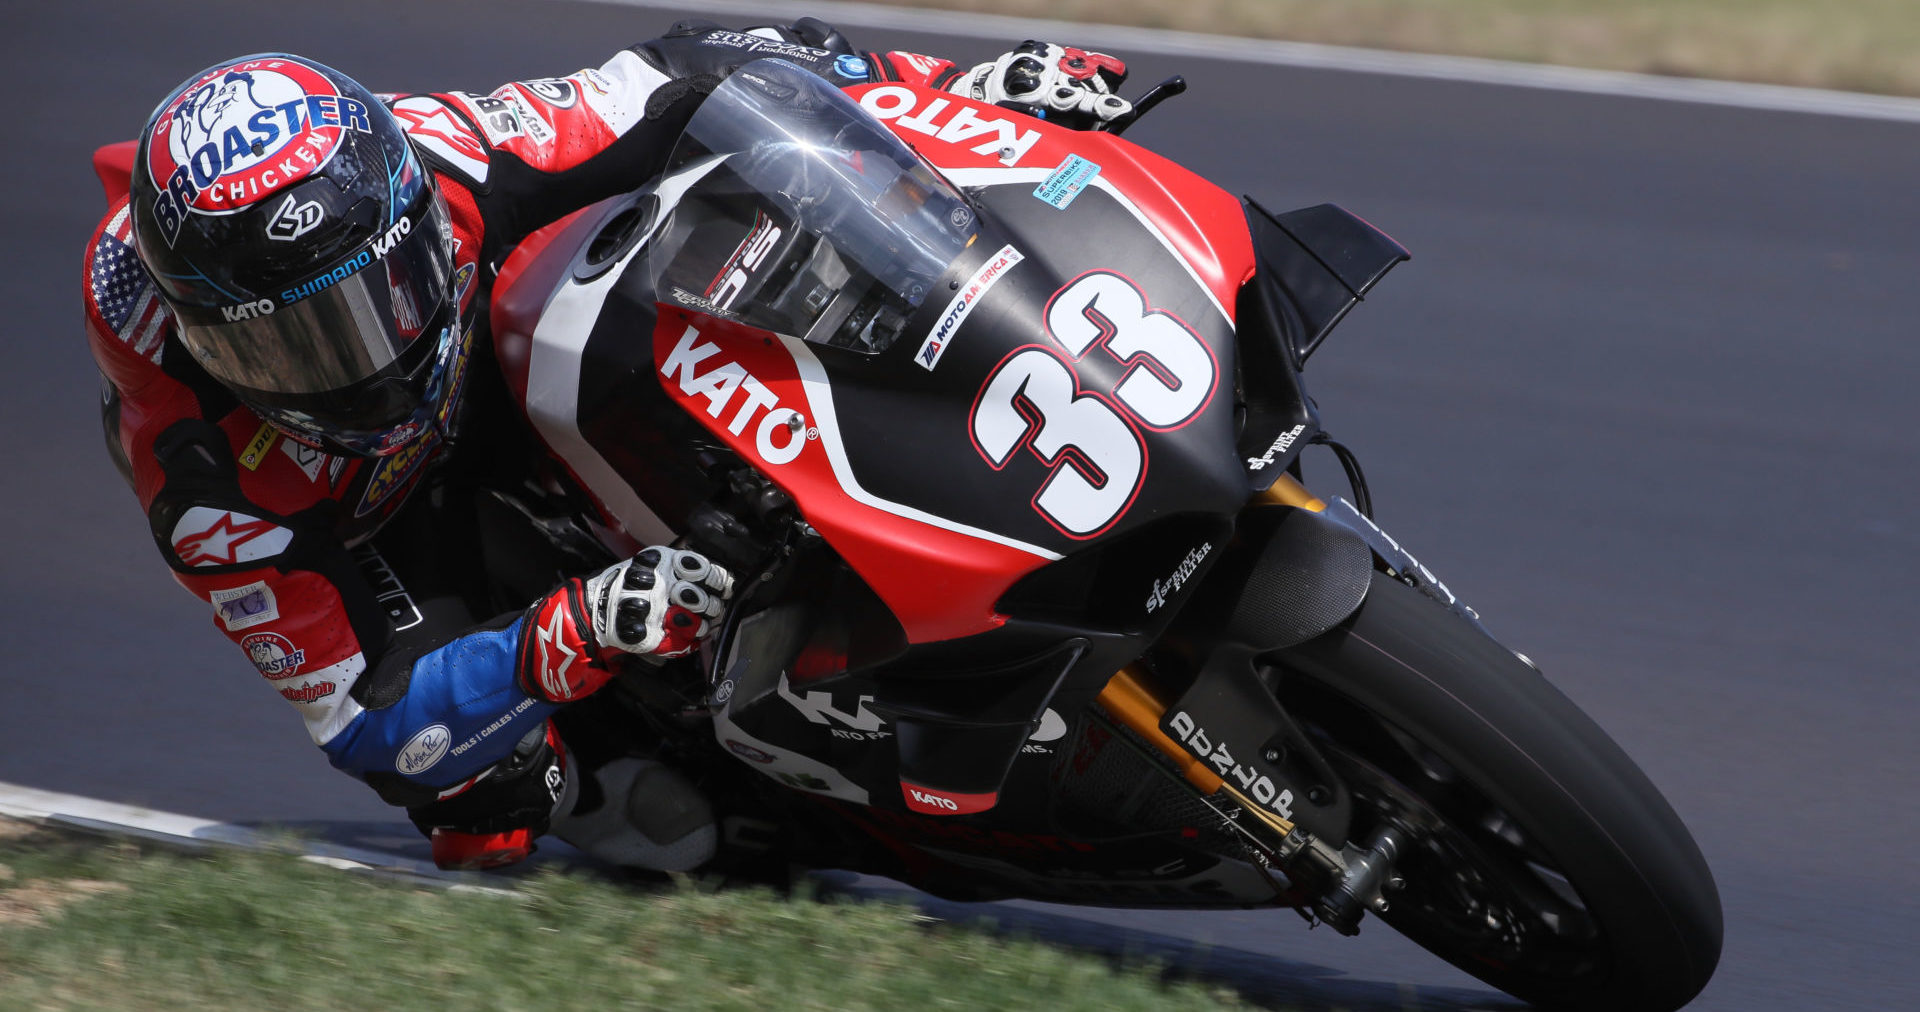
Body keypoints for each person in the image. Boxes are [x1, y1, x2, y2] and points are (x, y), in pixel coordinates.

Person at [82, 19, 1133, 871]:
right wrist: (575, 630)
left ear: (410, 213)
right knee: (522, 809)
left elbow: (687, 71)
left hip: (497, 348)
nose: (353, 368)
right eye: (282, 347)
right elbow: (361, 716)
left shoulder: (453, 151)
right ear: (202, 340)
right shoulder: (204, 480)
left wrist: (956, 88)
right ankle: (669, 764)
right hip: (386, 521)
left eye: (369, 302)